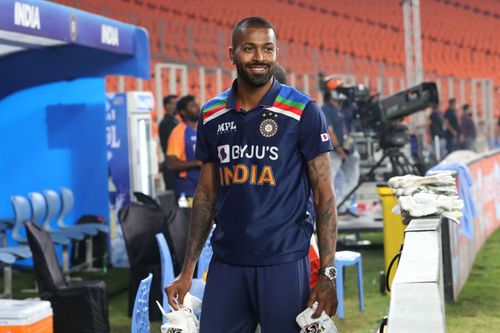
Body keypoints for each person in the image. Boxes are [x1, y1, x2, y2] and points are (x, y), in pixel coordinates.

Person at [166, 17, 338, 332]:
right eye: (249, 49)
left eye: (267, 49)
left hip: (283, 262)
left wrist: (327, 274)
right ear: (232, 54)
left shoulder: (303, 111)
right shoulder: (212, 114)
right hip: (227, 263)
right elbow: (205, 195)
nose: (259, 57)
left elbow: (324, 194)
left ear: (275, 53)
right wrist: (187, 270)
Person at [321, 90, 360, 214]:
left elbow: (353, 125)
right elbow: (329, 130)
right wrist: (338, 147)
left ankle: (344, 204)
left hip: (349, 148)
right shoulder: (326, 108)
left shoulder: (346, 107)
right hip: (333, 150)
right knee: (329, 179)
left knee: (352, 178)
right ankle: (328, 207)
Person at [165, 95, 202, 198]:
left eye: (197, 104)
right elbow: (171, 164)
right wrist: (197, 163)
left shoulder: (203, 129)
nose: (198, 108)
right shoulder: (179, 132)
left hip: (204, 188)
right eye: (192, 106)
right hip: (187, 190)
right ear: (183, 112)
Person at [159, 94, 179, 190]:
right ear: (167, 106)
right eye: (176, 103)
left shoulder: (175, 121)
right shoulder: (166, 123)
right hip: (172, 166)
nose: (178, 106)